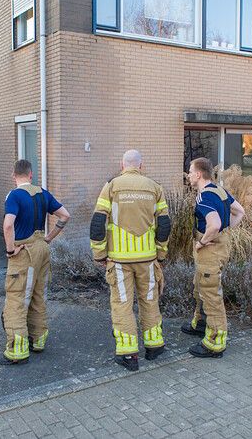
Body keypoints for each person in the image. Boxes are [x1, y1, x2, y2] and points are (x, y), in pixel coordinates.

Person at [90, 150, 172, 372]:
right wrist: (161, 254)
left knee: (122, 305)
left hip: (119, 261)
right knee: (149, 301)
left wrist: (99, 254)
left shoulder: (112, 186)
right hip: (147, 260)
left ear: (122, 165)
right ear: (141, 166)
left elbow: (98, 222)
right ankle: (154, 346)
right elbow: (164, 225)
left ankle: (128, 354)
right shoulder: (155, 187)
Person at [0, 160, 70, 365]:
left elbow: (8, 224)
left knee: (17, 299)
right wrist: (49, 237)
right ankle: (38, 340)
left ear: (14, 175)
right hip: (42, 249)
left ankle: (16, 351)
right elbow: (65, 215)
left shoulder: (14, 195)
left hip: (24, 252)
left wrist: (10, 250)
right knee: (38, 295)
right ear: (30, 175)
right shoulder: (43, 193)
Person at [181, 157, 245, 359]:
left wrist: (203, 242)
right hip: (219, 247)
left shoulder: (204, 198)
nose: (189, 174)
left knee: (210, 294)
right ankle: (200, 324)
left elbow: (214, 224)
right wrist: (225, 232)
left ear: (198, 174)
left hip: (209, 250)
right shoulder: (218, 190)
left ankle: (215, 342)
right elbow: (239, 211)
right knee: (200, 285)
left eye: (190, 171)